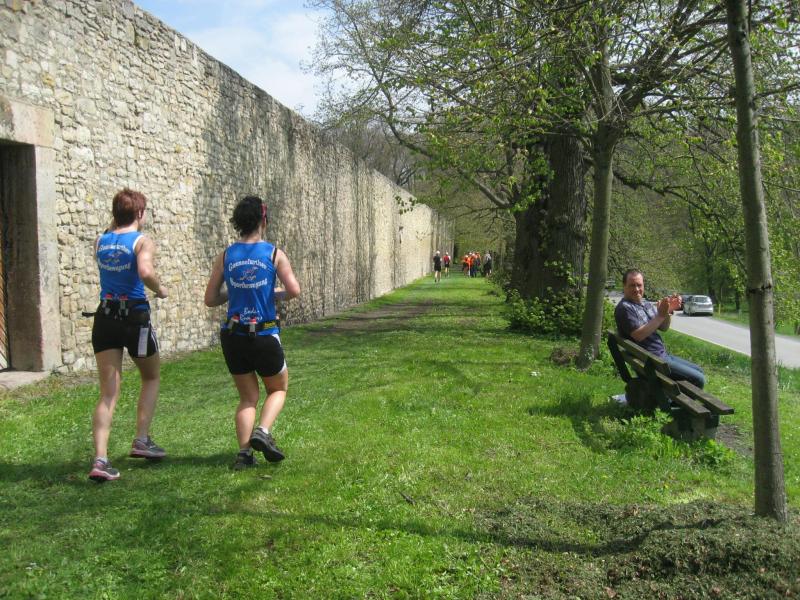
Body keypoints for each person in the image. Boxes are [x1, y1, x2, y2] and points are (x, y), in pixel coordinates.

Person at [205, 195, 301, 470]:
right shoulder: (274, 254)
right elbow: (293, 290)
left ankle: (244, 454)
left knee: (247, 397)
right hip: (263, 333)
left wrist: (235, 292)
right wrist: (272, 293)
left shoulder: (226, 256)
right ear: (263, 220)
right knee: (278, 388)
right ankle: (263, 431)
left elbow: (210, 299)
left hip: (233, 335)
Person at [88, 188, 168, 483]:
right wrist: (160, 289)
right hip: (134, 316)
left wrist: (119, 217)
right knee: (151, 376)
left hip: (106, 316)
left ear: (115, 214)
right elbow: (145, 271)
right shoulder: (141, 241)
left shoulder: (101, 241)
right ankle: (142, 440)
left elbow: (112, 230)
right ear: (140, 213)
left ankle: (100, 459)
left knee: (108, 392)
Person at [614, 269, 705, 388]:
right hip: (652, 362)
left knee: (699, 370)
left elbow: (663, 327)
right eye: (632, 285)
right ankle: (675, 399)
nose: (636, 289)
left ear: (643, 285)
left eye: (639, 285)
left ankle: (675, 396)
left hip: (660, 356)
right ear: (624, 286)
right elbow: (638, 335)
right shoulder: (625, 308)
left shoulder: (645, 304)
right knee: (698, 379)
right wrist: (660, 315)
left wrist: (667, 311)